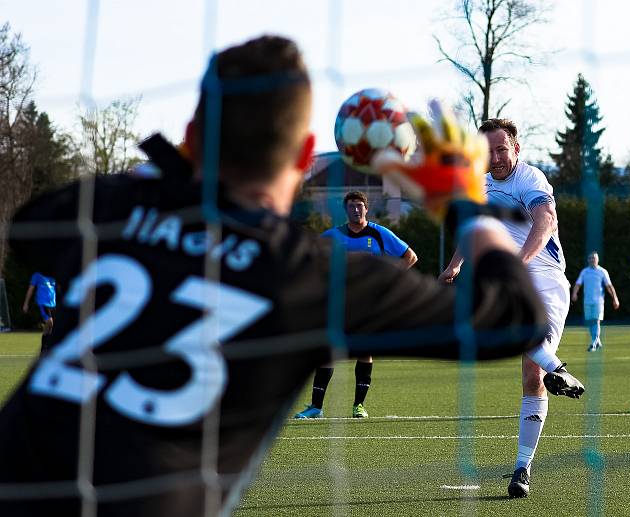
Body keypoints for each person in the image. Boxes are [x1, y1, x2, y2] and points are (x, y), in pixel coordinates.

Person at [0, 36, 583, 517]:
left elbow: (30, 230)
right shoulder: (312, 275)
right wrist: (461, 201)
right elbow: (511, 320)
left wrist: (171, 187)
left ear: (194, 134)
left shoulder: (115, 207)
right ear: (306, 156)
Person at [440, 118, 575, 499]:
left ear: (517, 149)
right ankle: (522, 469)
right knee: (529, 365)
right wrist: (455, 265)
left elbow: (545, 221)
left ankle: (556, 369)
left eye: (502, 149)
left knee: (526, 353)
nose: (496, 157)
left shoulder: (530, 180)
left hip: (546, 276)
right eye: (489, 151)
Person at [295, 191, 418, 419]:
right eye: (351, 206)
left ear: (366, 208)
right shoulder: (333, 235)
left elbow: (410, 257)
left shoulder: (379, 233)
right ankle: (316, 407)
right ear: (346, 209)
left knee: (364, 351)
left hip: (368, 303)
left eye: (359, 205)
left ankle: (358, 406)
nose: (356, 209)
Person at [571, 251, 620, 351]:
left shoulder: (602, 271)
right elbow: (578, 284)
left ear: (597, 260)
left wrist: (615, 298)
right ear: (588, 260)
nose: (592, 260)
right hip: (587, 301)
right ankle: (597, 341)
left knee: (596, 321)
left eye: (594, 258)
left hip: (599, 301)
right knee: (590, 321)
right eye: (590, 258)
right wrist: (574, 293)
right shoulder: (584, 271)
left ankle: (594, 342)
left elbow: (609, 286)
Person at [22, 272, 57, 351]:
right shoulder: (37, 275)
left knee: (51, 327)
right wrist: (26, 303)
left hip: (53, 304)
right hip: (43, 303)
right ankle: (44, 348)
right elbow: (30, 289)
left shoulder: (54, 275)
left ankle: (46, 348)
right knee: (49, 322)